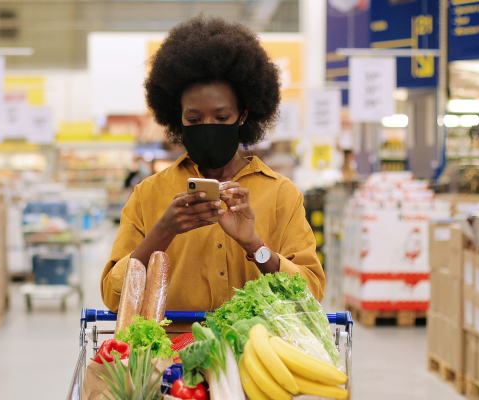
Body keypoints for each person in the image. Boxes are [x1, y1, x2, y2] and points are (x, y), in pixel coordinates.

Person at [100, 16, 325, 314]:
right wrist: (163, 231)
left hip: (256, 354)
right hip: (170, 355)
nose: (207, 128)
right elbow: (113, 296)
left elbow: (310, 293)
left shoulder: (282, 194)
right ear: (177, 118)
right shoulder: (148, 194)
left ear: (243, 116)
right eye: (194, 120)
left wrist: (253, 244)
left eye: (221, 118)